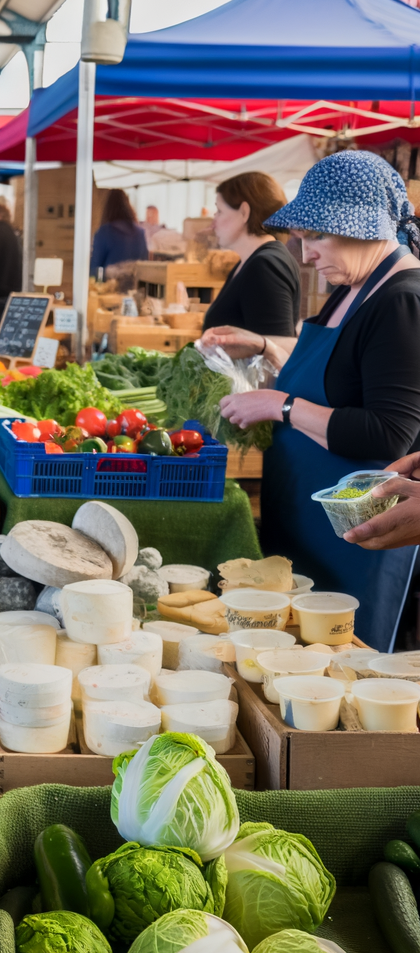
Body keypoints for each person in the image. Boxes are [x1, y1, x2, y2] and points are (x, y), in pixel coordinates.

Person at [211, 150, 420, 652]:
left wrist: (279, 406)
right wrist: (261, 348)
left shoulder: (402, 298)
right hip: (310, 521)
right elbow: (339, 382)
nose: (304, 256)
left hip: (360, 538)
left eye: (316, 237)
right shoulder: (353, 285)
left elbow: (388, 432)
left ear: (368, 228)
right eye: (302, 239)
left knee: (346, 674)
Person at [201, 172, 301, 343]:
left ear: (244, 212)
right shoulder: (250, 261)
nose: (213, 222)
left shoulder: (266, 265)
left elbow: (277, 349)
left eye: (219, 211)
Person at [91, 189, 148, 275]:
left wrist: (98, 285)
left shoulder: (104, 232)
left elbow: (95, 268)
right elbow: (145, 265)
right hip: (135, 286)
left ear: (107, 208)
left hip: (111, 286)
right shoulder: (140, 233)